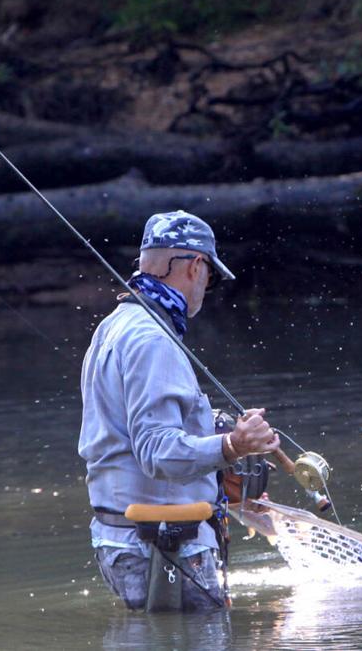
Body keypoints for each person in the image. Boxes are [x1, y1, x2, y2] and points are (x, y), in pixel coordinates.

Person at [79, 210, 280, 612]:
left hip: (123, 541)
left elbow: (133, 436)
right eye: (211, 276)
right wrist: (233, 444)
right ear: (195, 266)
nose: (208, 287)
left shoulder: (113, 327)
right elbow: (157, 451)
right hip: (165, 549)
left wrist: (220, 453)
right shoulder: (152, 339)